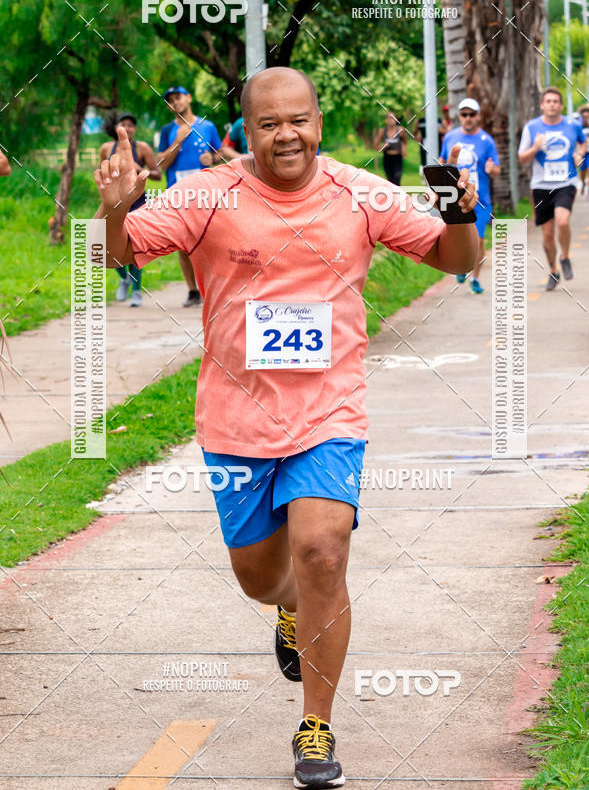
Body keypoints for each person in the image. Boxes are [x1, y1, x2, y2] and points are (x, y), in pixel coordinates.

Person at [93, 67, 478, 790]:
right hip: (236, 423)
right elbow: (112, 255)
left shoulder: (361, 192)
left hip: (329, 413)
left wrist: (461, 215)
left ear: (318, 121)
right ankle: (291, 609)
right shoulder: (209, 193)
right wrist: (114, 212)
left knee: (323, 551)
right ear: (247, 131)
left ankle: (316, 726)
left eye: (297, 119)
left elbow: (456, 260)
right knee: (264, 578)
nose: (286, 135)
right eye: (268, 124)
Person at [157, 86, 240, 306]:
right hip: (178, 193)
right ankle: (193, 291)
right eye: (170, 100)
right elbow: (162, 163)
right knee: (183, 244)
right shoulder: (167, 131)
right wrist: (178, 141)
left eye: (178, 97)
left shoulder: (207, 126)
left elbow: (219, 154)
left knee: (211, 240)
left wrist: (212, 159)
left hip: (205, 192)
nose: (175, 102)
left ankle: (214, 288)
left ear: (189, 98)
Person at [518, 87, 586, 290]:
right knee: (547, 234)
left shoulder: (572, 125)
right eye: (548, 101)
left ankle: (565, 257)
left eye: (556, 101)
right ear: (542, 105)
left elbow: (583, 144)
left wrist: (578, 155)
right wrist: (536, 146)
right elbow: (522, 158)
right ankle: (553, 270)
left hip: (566, 183)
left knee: (563, 221)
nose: (552, 104)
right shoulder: (532, 127)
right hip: (540, 186)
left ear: (561, 105)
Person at [440, 97, 500, 294]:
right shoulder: (450, 137)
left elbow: (497, 168)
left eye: (472, 114)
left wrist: (492, 169)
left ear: (478, 116)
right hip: (456, 199)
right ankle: (461, 267)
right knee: (458, 238)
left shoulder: (486, 140)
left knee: (479, 239)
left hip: (481, 200)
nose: (468, 118)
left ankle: (474, 278)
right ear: (459, 116)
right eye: (464, 114)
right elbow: (442, 161)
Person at [99, 113, 161, 306]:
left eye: (131, 125)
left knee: (134, 246)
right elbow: (102, 173)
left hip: (136, 201)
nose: (127, 128)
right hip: (115, 201)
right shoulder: (106, 148)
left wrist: (138, 169)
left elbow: (158, 174)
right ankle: (124, 278)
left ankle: (136, 291)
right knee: (104, 244)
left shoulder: (142, 148)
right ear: (117, 127)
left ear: (135, 129)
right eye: (123, 124)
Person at [374, 111, 406, 185]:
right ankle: (391, 196)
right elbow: (376, 146)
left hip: (398, 158)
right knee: (390, 180)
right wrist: (383, 147)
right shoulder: (382, 131)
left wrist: (404, 149)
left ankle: (398, 195)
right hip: (387, 158)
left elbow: (405, 142)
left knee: (397, 178)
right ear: (386, 120)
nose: (391, 120)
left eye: (393, 118)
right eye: (389, 118)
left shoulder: (400, 130)